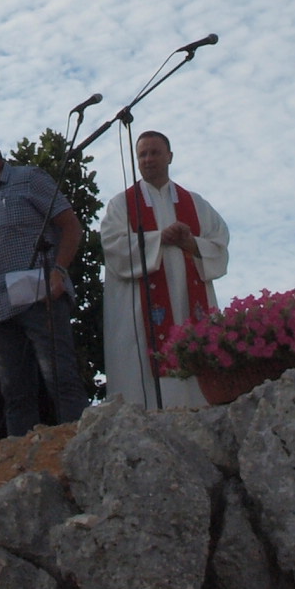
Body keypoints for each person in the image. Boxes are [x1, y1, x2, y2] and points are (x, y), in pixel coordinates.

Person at [0, 129, 85, 434]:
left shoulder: (29, 178)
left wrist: (59, 272)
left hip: (39, 294)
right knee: (15, 393)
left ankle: (81, 446)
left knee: (60, 378)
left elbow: (71, 226)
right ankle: (24, 464)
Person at [99, 129, 230, 410]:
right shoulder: (121, 204)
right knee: (147, 385)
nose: (148, 159)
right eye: (142, 154)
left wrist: (190, 243)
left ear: (170, 156)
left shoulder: (196, 204)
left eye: (155, 152)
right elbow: (113, 246)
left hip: (189, 302)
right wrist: (160, 238)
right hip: (142, 312)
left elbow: (219, 244)